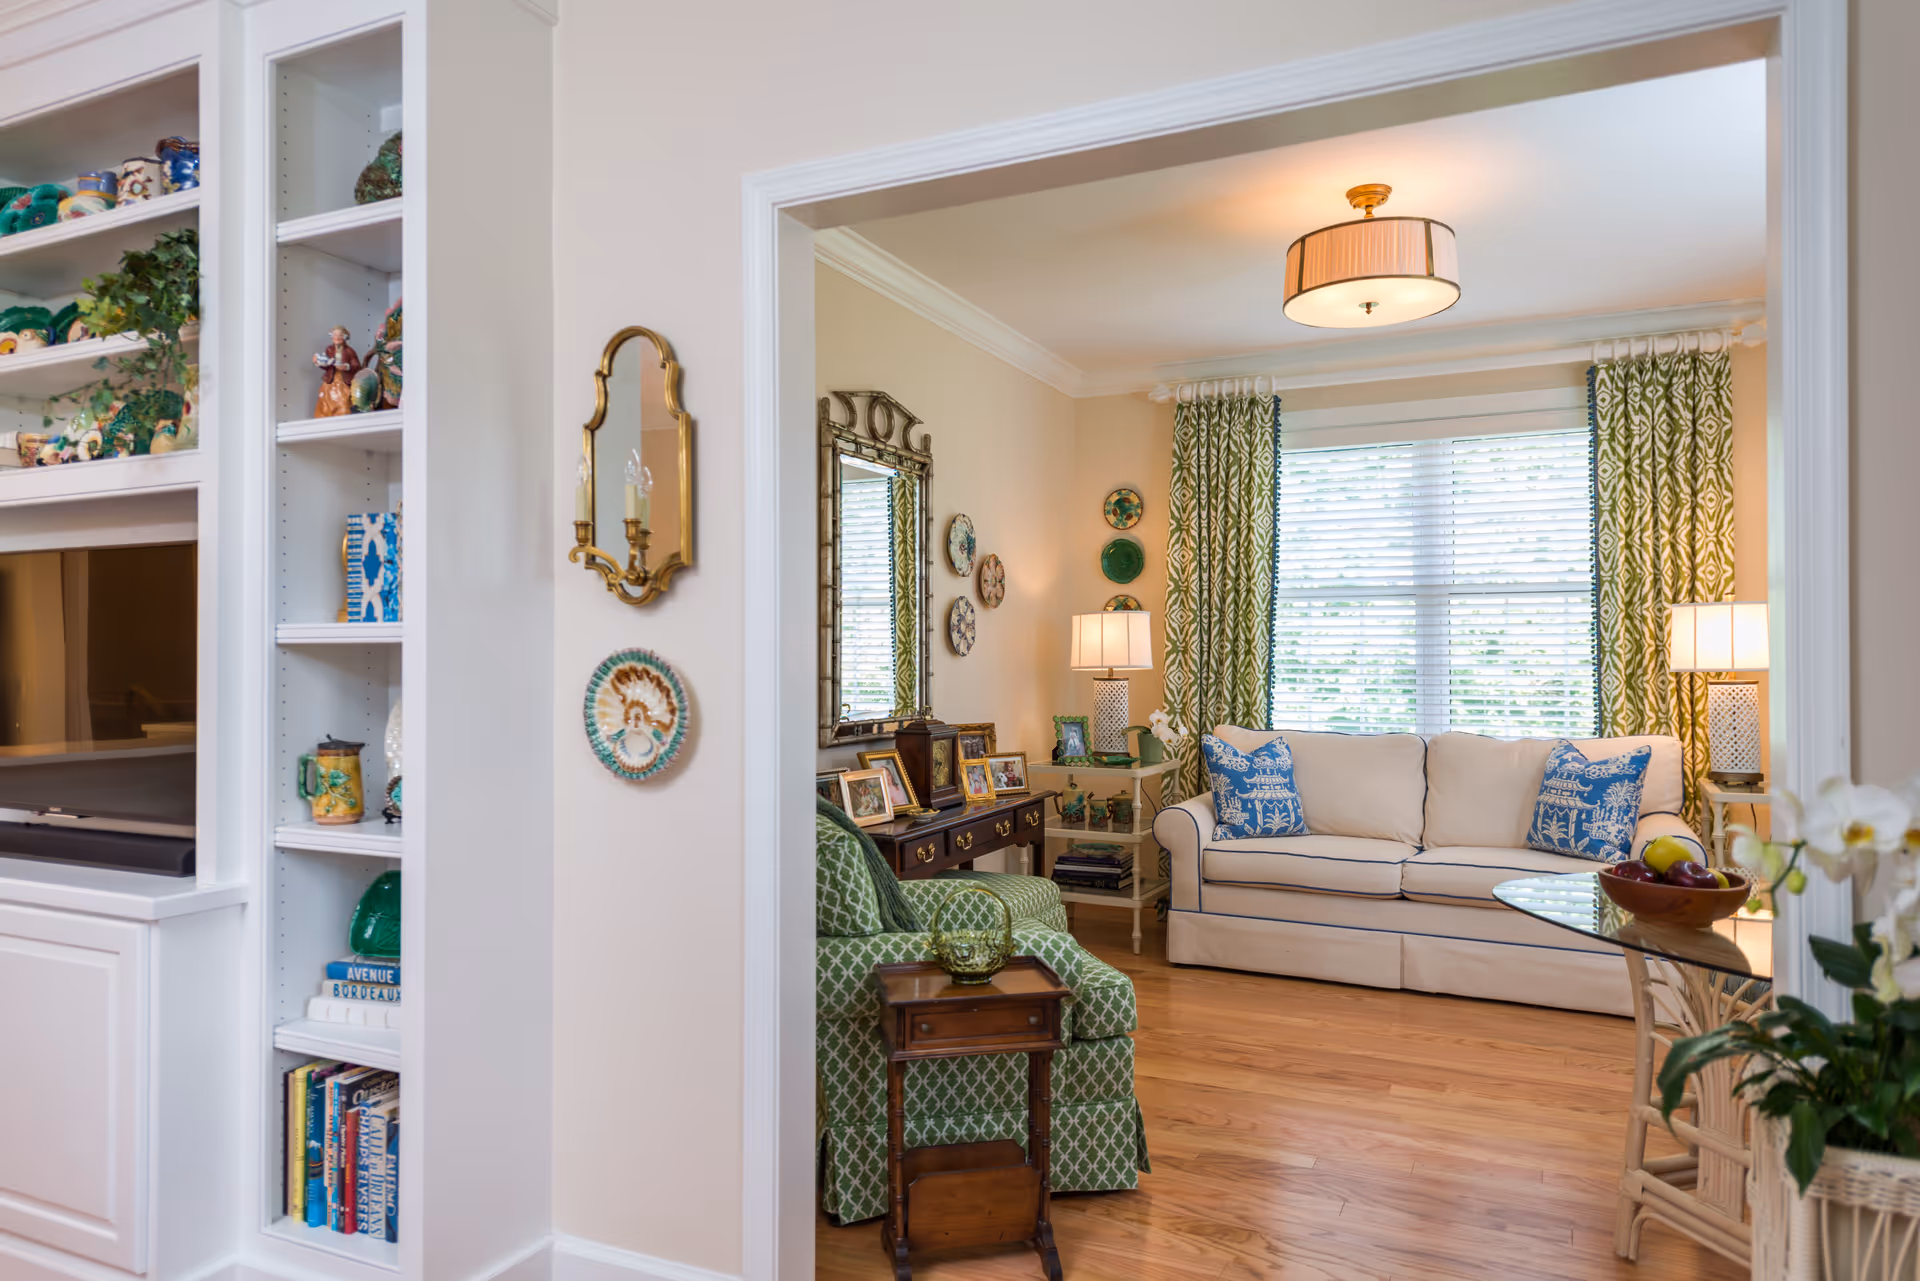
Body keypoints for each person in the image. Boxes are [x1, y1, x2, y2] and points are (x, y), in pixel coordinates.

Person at [312, 326, 361, 418]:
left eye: (340, 335)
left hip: (344, 381)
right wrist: (318, 362)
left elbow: (356, 366)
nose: (337, 337)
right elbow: (327, 366)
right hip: (330, 381)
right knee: (325, 401)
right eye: (335, 335)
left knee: (343, 401)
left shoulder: (349, 351)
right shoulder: (329, 349)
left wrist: (346, 367)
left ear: (345, 337)